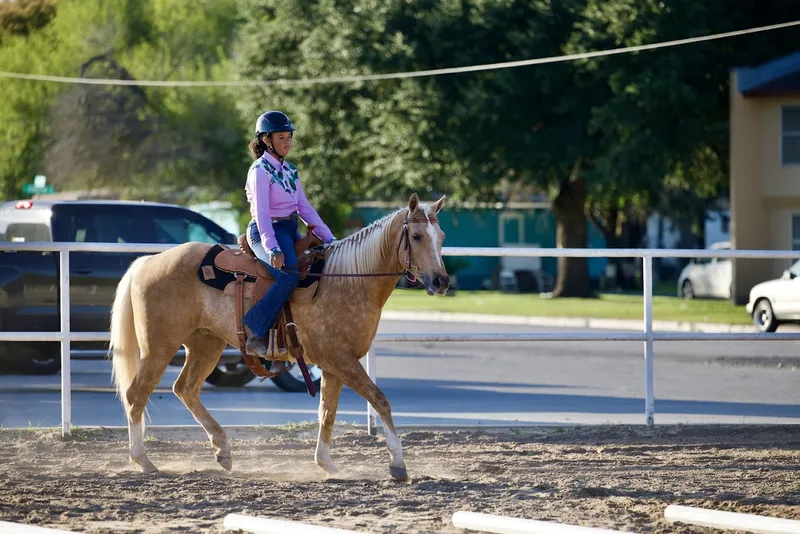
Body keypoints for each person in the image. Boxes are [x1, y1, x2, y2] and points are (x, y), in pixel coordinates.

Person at [242, 110, 336, 369]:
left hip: (289, 228)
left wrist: (329, 238)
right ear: (267, 140)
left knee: (320, 265)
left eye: (289, 137)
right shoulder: (259, 171)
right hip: (265, 231)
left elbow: (304, 208)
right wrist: (271, 246)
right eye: (282, 137)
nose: (287, 142)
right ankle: (255, 332)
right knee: (289, 276)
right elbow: (261, 213)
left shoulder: (290, 171)